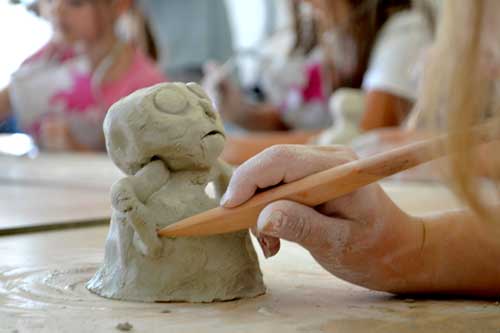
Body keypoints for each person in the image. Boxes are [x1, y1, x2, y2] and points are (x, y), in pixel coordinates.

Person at [220, 0, 500, 295]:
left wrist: (406, 249)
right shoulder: (322, 39)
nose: (490, 64)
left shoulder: (403, 29)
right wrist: (407, 245)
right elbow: (291, 118)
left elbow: (364, 131)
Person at [215, 0, 434, 164]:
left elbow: (364, 141)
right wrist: (241, 114)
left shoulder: (406, 32)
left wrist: (236, 149)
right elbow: (296, 120)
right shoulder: (328, 33)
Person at [0, 0, 166, 151]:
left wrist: (76, 149)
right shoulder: (45, 60)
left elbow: (140, 170)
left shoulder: (144, 83)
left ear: (118, 5)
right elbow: (6, 100)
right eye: (50, 1)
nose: (57, 10)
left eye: (75, 2)